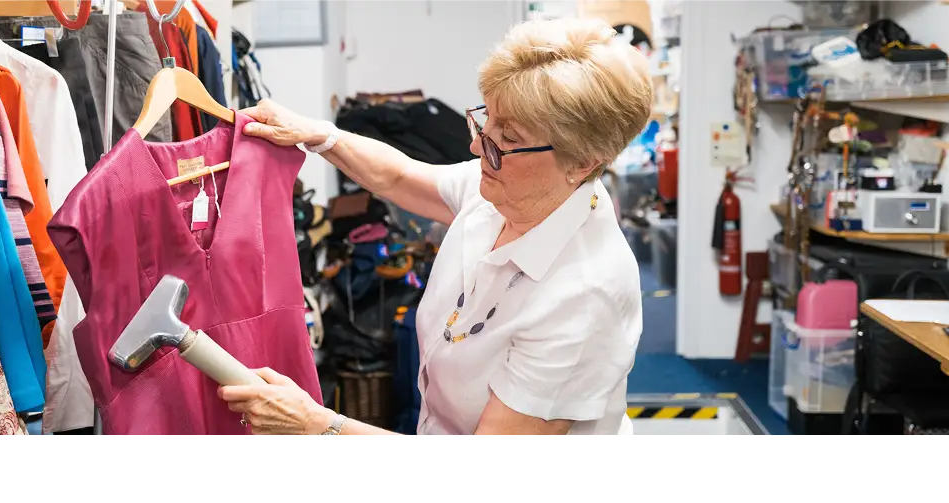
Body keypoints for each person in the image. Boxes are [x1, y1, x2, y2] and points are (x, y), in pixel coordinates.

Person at [219, 17, 654, 437]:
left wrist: (319, 425)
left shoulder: (584, 295)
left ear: (582, 163)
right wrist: (320, 135)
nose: (476, 147)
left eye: (511, 138)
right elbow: (401, 177)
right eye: (488, 123)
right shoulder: (506, 191)